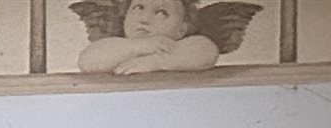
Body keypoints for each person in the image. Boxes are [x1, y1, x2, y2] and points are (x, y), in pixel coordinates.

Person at [76, 0, 222, 73]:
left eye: (161, 13)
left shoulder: (184, 47)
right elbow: (86, 61)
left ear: (181, 29)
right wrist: (138, 46)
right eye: (138, 8)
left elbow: (207, 51)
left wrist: (156, 62)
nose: (144, 18)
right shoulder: (115, 45)